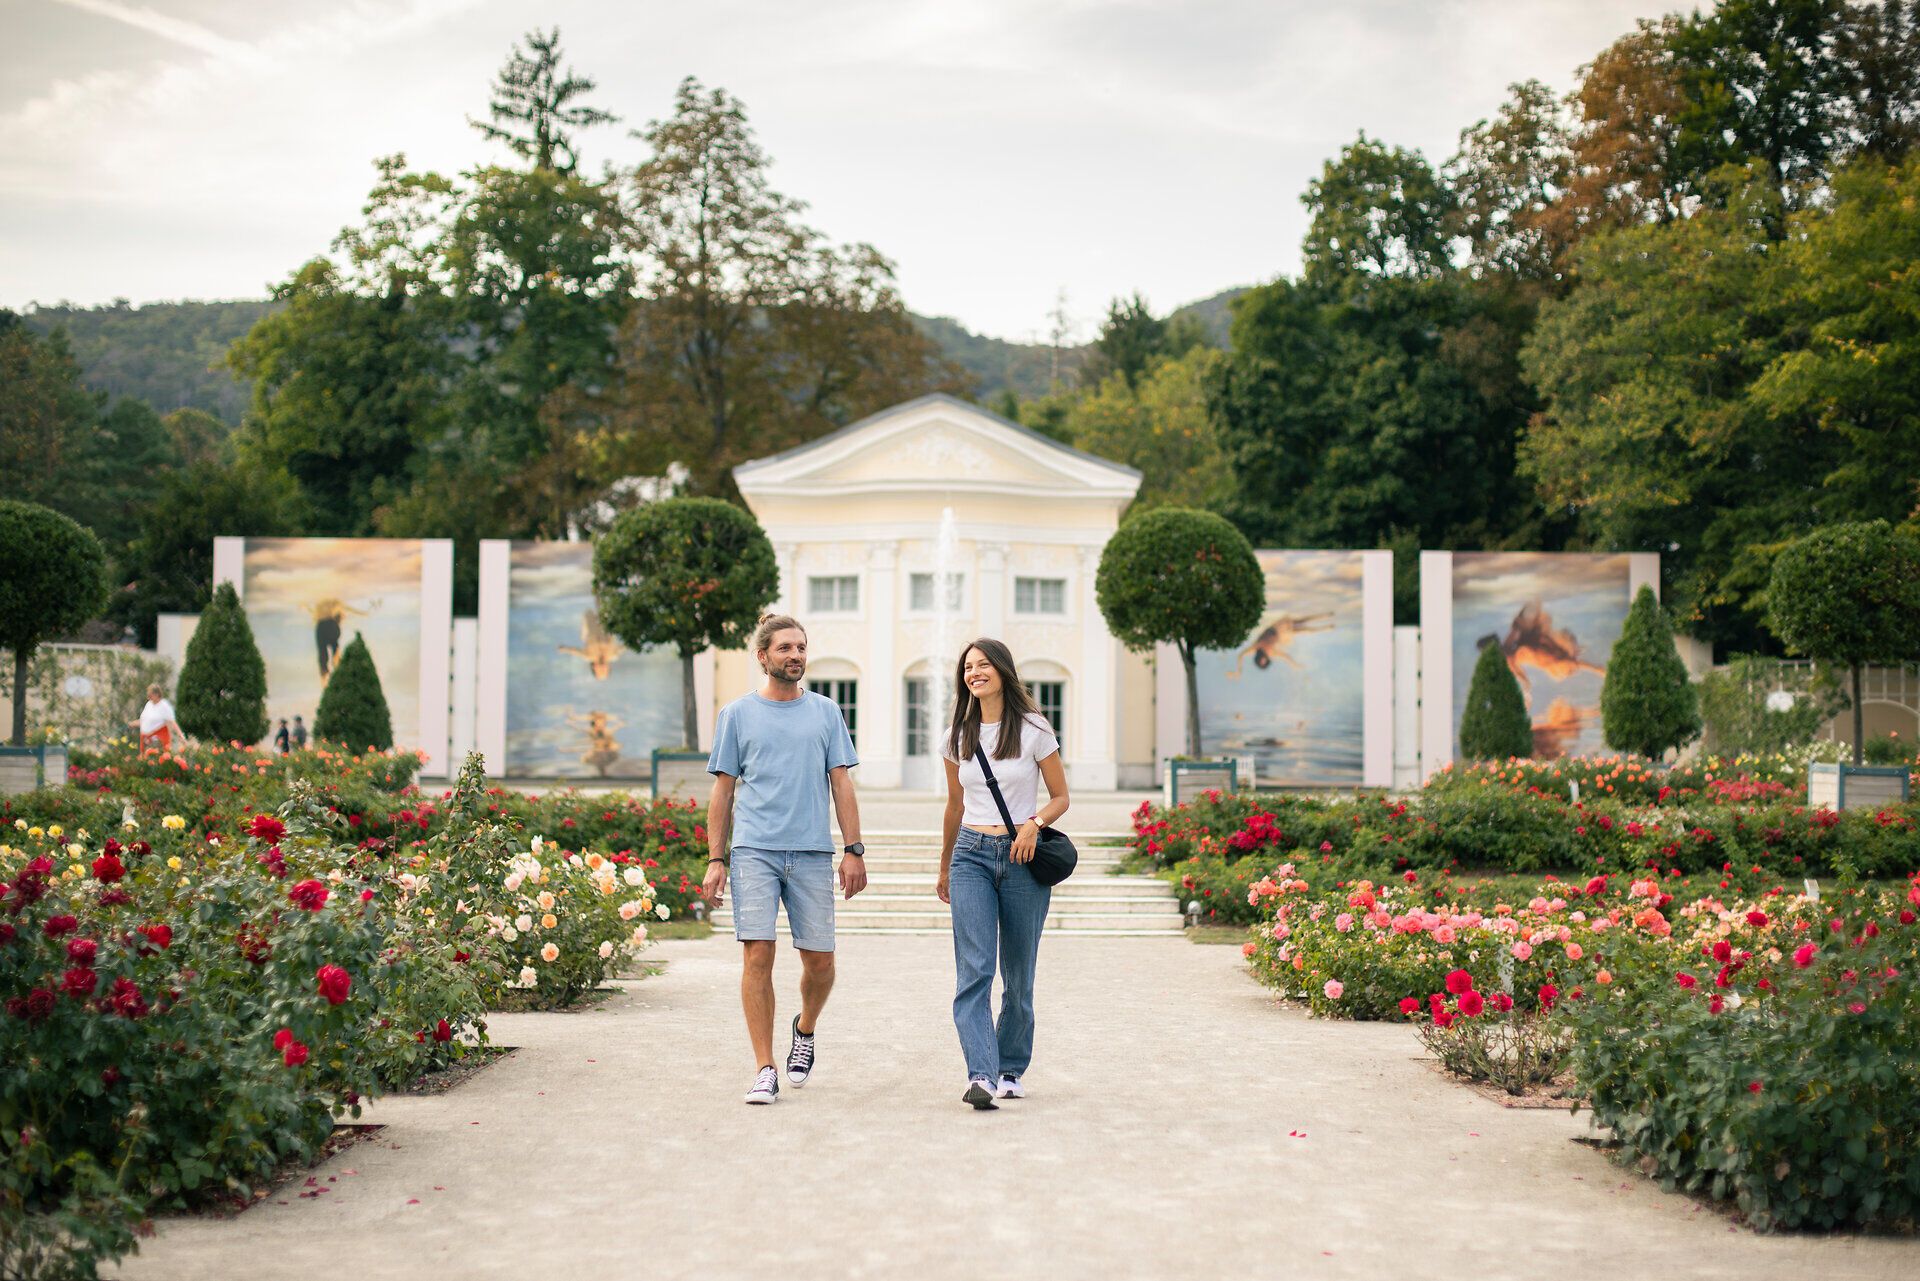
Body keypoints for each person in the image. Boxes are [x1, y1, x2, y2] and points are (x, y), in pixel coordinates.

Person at [702, 614, 866, 1105]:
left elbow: (841, 782)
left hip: (812, 852)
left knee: (820, 962)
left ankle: (806, 1028)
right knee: (758, 955)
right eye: (785, 648)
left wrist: (853, 850)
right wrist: (717, 858)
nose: (795, 655)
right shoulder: (736, 714)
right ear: (763, 656)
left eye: (801, 647)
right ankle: (764, 1067)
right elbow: (722, 791)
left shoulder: (825, 712)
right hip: (754, 851)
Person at [937, 638, 1070, 1110]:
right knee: (974, 970)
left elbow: (1060, 796)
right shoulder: (958, 734)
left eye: (983, 665)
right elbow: (954, 806)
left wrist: (1035, 824)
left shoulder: (1033, 729)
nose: (974, 673)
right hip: (970, 854)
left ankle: (1010, 1066)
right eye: (967, 668)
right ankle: (981, 1074)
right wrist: (944, 867)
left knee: (1018, 974)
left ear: (1002, 671)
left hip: (1020, 857)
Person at [133, 685, 183, 753]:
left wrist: (181, 736)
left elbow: (172, 722)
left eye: (150, 696)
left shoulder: (164, 706)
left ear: (157, 694)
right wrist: (131, 724)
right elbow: (144, 720)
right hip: (145, 739)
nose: (148, 698)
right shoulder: (149, 704)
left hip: (157, 739)